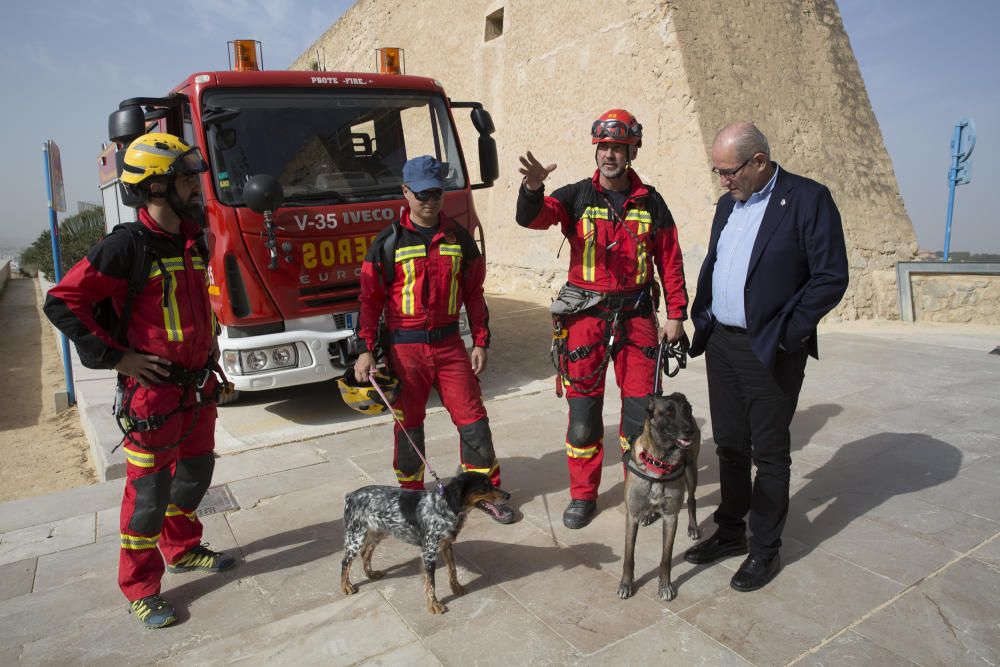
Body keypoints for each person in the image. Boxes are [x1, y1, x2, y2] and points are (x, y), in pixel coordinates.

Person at [44, 132, 234, 628]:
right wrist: (118, 358)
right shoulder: (127, 246)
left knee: (193, 477)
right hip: (152, 395)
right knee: (148, 494)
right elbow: (63, 301)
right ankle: (141, 586)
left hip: (197, 387)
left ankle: (184, 548)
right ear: (155, 187)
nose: (196, 186)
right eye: (186, 178)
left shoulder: (193, 239)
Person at [685, 122, 849, 591]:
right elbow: (719, 262)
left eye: (729, 171)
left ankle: (765, 550)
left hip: (770, 347)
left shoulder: (807, 199)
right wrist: (706, 319)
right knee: (730, 446)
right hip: (722, 344)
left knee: (770, 454)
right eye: (717, 172)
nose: (723, 181)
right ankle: (731, 531)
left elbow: (830, 276)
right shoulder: (726, 205)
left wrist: (786, 334)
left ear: (759, 161)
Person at [516, 109, 689, 529]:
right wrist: (533, 187)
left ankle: (639, 491)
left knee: (638, 416)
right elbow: (533, 217)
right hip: (585, 321)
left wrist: (677, 315)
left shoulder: (651, 202)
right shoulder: (575, 195)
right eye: (604, 146)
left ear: (632, 150)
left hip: (637, 320)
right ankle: (582, 496)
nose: (609, 154)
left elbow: (670, 260)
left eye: (618, 147)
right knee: (582, 419)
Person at [354, 155, 515, 524]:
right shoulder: (387, 242)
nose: (431, 201)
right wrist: (364, 349)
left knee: (473, 419)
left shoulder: (459, 238)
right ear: (405, 192)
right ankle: (410, 499)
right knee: (409, 424)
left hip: (448, 346)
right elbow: (369, 300)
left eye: (437, 193)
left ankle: (484, 494)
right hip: (404, 349)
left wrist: (481, 340)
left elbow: (474, 294)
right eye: (423, 193)